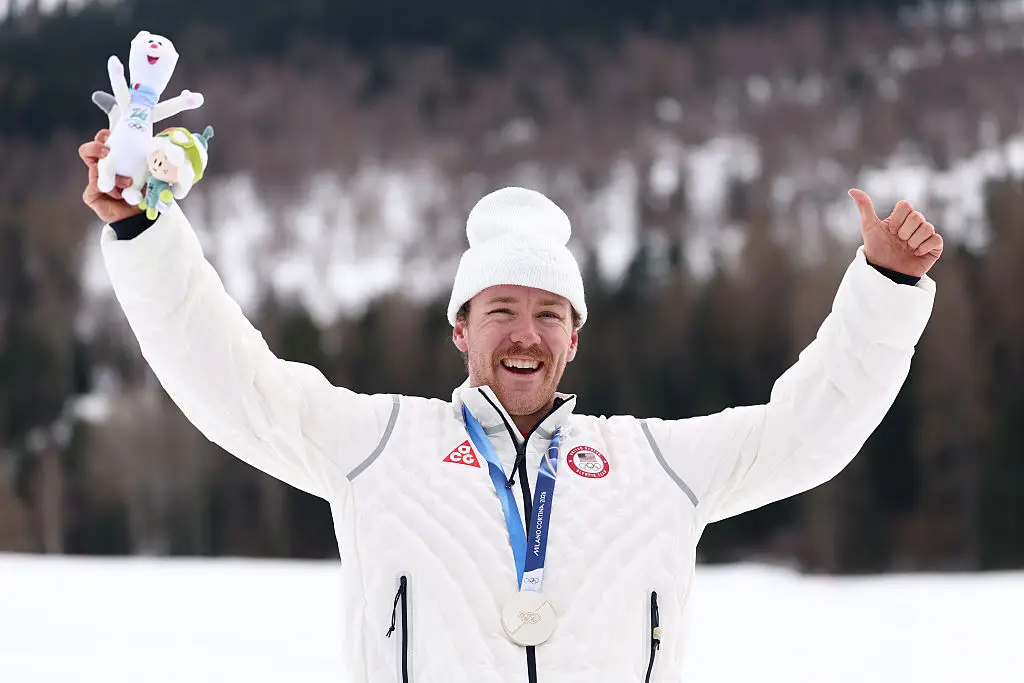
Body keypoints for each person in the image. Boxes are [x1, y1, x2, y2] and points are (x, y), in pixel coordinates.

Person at [79, 127, 940, 683]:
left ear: (576, 338)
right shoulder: (380, 445)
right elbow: (233, 384)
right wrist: (145, 237)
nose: (524, 335)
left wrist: (886, 287)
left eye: (548, 314)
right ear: (460, 328)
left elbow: (808, 433)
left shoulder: (656, 464)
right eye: (501, 310)